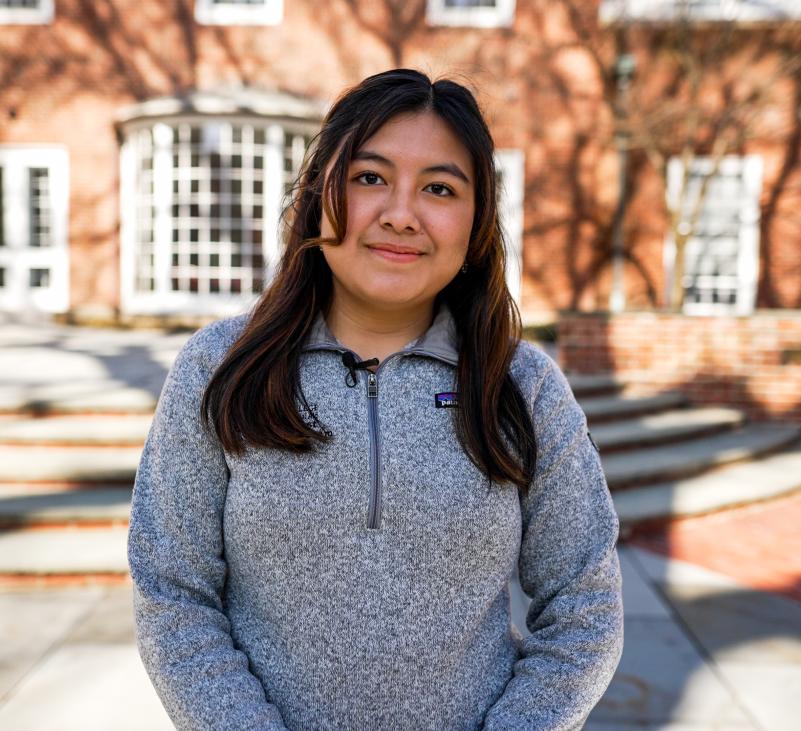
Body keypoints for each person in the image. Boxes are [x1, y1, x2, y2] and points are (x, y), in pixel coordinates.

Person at [128, 68, 624, 730]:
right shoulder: (220, 369)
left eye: (440, 188)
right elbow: (173, 595)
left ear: (476, 221)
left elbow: (585, 608)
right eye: (369, 177)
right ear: (319, 193)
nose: (400, 213)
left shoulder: (521, 387)